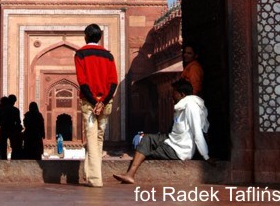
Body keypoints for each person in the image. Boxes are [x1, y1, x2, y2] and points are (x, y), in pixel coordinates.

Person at [113, 79, 211, 184]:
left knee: (147, 152)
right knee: (147, 138)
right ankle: (130, 174)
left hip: (180, 149)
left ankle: (131, 172)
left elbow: (198, 133)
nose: (172, 96)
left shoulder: (191, 107)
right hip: (171, 140)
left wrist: (206, 156)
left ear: (182, 94)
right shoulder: (181, 106)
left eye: (174, 93)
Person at [74, 23, 118, 188]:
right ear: (100, 37)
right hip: (106, 102)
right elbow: (113, 82)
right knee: (99, 138)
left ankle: (95, 179)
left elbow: (82, 82)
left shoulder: (81, 54)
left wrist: (94, 102)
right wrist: (103, 101)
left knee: (91, 138)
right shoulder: (108, 56)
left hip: (89, 103)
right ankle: (90, 173)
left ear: (86, 36)